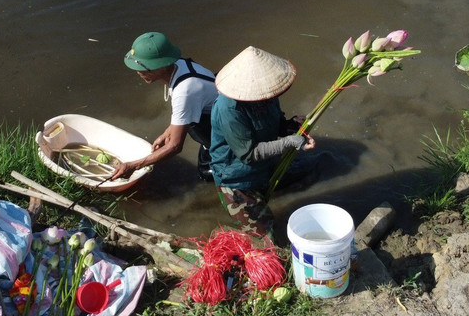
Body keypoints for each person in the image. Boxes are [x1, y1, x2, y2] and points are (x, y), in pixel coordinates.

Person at [206, 46, 315, 235]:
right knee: (264, 230)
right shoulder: (229, 109)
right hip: (236, 178)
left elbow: (275, 124)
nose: (270, 96)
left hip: (262, 170)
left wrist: (291, 125)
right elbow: (248, 154)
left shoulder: (268, 95)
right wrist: (290, 142)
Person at [107, 32, 219, 181]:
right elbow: (185, 110)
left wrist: (134, 166)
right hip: (211, 116)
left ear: (164, 65)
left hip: (223, 127)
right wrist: (168, 132)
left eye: (145, 67)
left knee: (211, 175)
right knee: (204, 168)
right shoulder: (179, 64)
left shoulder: (184, 90)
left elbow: (175, 147)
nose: (139, 72)